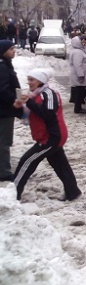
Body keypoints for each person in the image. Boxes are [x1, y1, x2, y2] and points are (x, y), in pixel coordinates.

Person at [13, 68, 81, 201]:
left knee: (27, 161)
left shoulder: (49, 94)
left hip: (52, 136)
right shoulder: (34, 95)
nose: (29, 82)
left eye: (32, 79)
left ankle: (12, 193)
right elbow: (26, 115)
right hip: (46, 136)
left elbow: (48, 114)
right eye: (28, 79)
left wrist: (29, 102)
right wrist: (18, 106)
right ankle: (73, 192)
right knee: (59, 164)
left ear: (41, 81)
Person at [0, 41, 22, 181]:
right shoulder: (2, 66)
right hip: (4, 110)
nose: (14, 51)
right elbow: (3, 89)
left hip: (5, 109)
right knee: (4, 141)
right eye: (11, 49)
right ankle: (4, 172)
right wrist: (14, 100)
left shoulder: (5, 64)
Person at [69, 36, 86, 114]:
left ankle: (79, 107)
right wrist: (81, 75)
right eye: (82, 41)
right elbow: (78, 65)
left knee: (80, 92)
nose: (84, 43)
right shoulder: (78, 52)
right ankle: (78, 108)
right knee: (79, 92)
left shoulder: (79, 51)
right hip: (80, 76)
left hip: (81, 75)